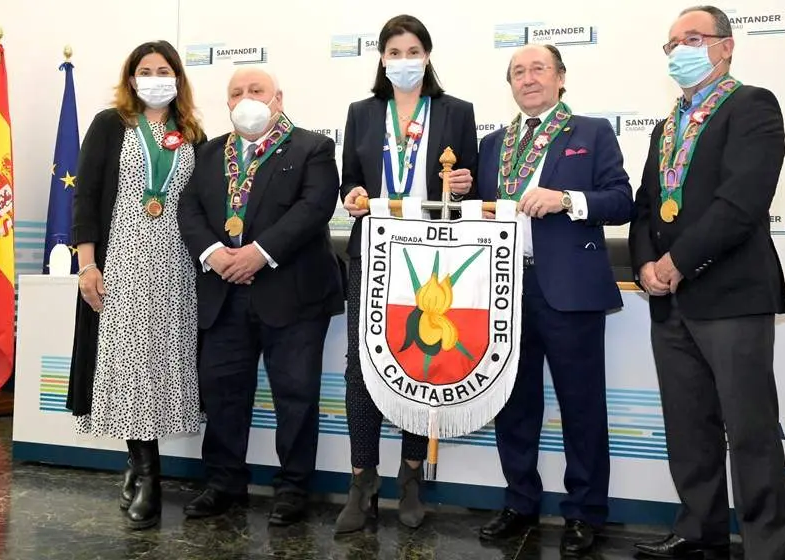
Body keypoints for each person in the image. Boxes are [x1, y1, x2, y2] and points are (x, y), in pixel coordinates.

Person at [628, 5, 785, 559]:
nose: (681, 51)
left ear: (726, 46)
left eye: (692, 38)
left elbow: (741, 203)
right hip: (669, 303)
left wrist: (676, 263)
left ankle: (765, 546)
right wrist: (647, 265)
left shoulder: (753, 106)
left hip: (731, 296)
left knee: (749, 430)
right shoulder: (666, 125)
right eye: (672, 44)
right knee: (688, 428)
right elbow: (647, 206)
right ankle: (699, 533)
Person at [475, 44, 633, 556]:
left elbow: (622, 200)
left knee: (581, 408)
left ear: (561, 78)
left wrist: (567, 200)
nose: (528, 78)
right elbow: (481, 211)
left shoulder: (592, 132)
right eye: (518, 71)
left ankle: (586, 512)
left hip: (569, 291)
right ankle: (520, 503)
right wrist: (457, 192)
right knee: (513, 407)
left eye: (538, 68)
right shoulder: (493, 144)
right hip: (503, 291)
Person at [177, 67, 344, 526]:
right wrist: (215, 253)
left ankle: (292, 488)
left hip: (293, 295)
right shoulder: (210, 153)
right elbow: (188, 208)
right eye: (236, 93)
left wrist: (258, 253)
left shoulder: (313, 147)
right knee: (223, 392)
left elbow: (314, 208)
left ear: (278, 98)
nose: (246, 99)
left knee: (295, 394)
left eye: (256, 91)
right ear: (227, 103)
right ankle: (224, 482)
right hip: (223, 292)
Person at [336, 14, 478, 534]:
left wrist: (462, 185)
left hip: (429, 258)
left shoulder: (456, 111)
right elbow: (350, 181)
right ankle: (362, 481)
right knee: (361, 367)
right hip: (372, 252)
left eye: (412, 50)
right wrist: (351, 195)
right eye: (393, 52)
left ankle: (411, 476)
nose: (403, 60)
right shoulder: (362, 112)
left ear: (428, 55)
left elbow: (473, 184)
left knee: (422, 362)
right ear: (381, 59)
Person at [67, 40, 205, 530]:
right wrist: (87, 264)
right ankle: (150, 476)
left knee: (161, 369)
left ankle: (137, 465)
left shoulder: (192, 133)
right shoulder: (110, 125)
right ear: (130, 79)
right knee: (131, 368)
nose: (153, 77)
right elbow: (85, 197)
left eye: (163, 69)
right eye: (144, 70)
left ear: (177, 77)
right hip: (121, 263)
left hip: (176, 268)